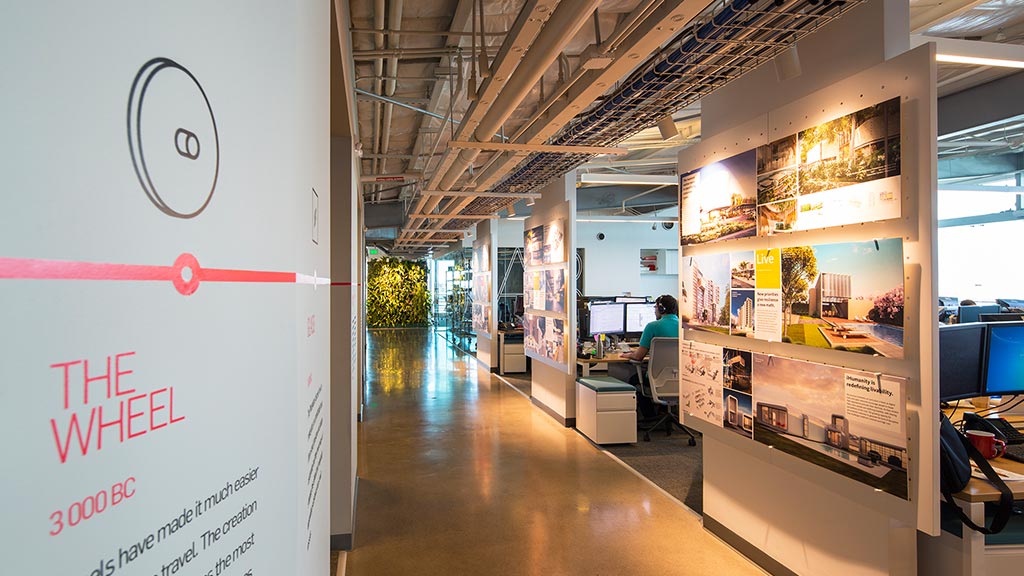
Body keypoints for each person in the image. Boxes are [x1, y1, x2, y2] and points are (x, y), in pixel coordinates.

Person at [619, 294, 680, 419]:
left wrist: (626, 354)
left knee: (634, 381)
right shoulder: (684, 327)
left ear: (661, 309)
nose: (654, 310)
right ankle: (664, 413)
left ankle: (649, 417)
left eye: (655, 307)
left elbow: (638, 356)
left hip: (657, 378)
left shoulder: (652, 327)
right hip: (681, 378)